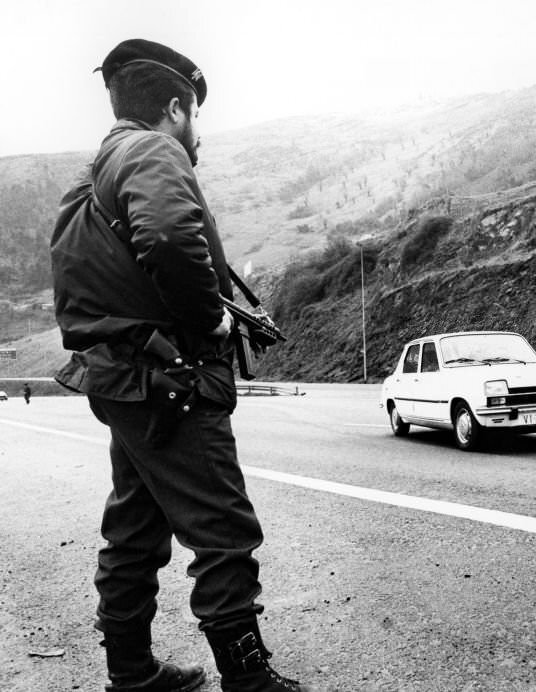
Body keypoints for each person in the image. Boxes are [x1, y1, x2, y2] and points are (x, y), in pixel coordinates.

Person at [50, 39, 318, 691]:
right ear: (175, 108)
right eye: (194, 115)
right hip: (171, 381)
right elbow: (169, 235)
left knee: (135, 530)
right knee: (224, 528)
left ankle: (133, 674)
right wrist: (211, 318)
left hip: (124, 379)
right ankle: (249, 679)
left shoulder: (96, 174)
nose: (196, 133)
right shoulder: (152, 149)